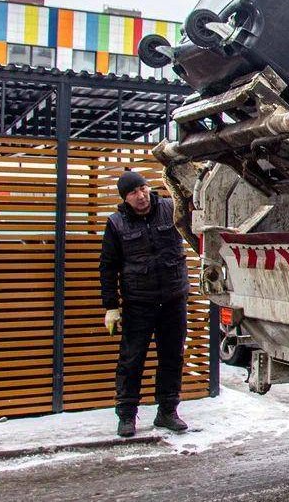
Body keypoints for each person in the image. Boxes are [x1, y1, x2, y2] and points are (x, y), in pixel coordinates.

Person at [99, 170, 191, 437]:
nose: (141, 196)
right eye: (133, 193)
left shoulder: (172, 209)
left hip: (173, 298)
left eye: (143, 188)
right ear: (125, 199)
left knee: (172, 357)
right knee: (132, 360)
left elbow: (198, 228)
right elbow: (108, 267)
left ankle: (168, 411)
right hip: (139, 302)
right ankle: (127, 415)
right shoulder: (116, 224)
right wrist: (111, 306)